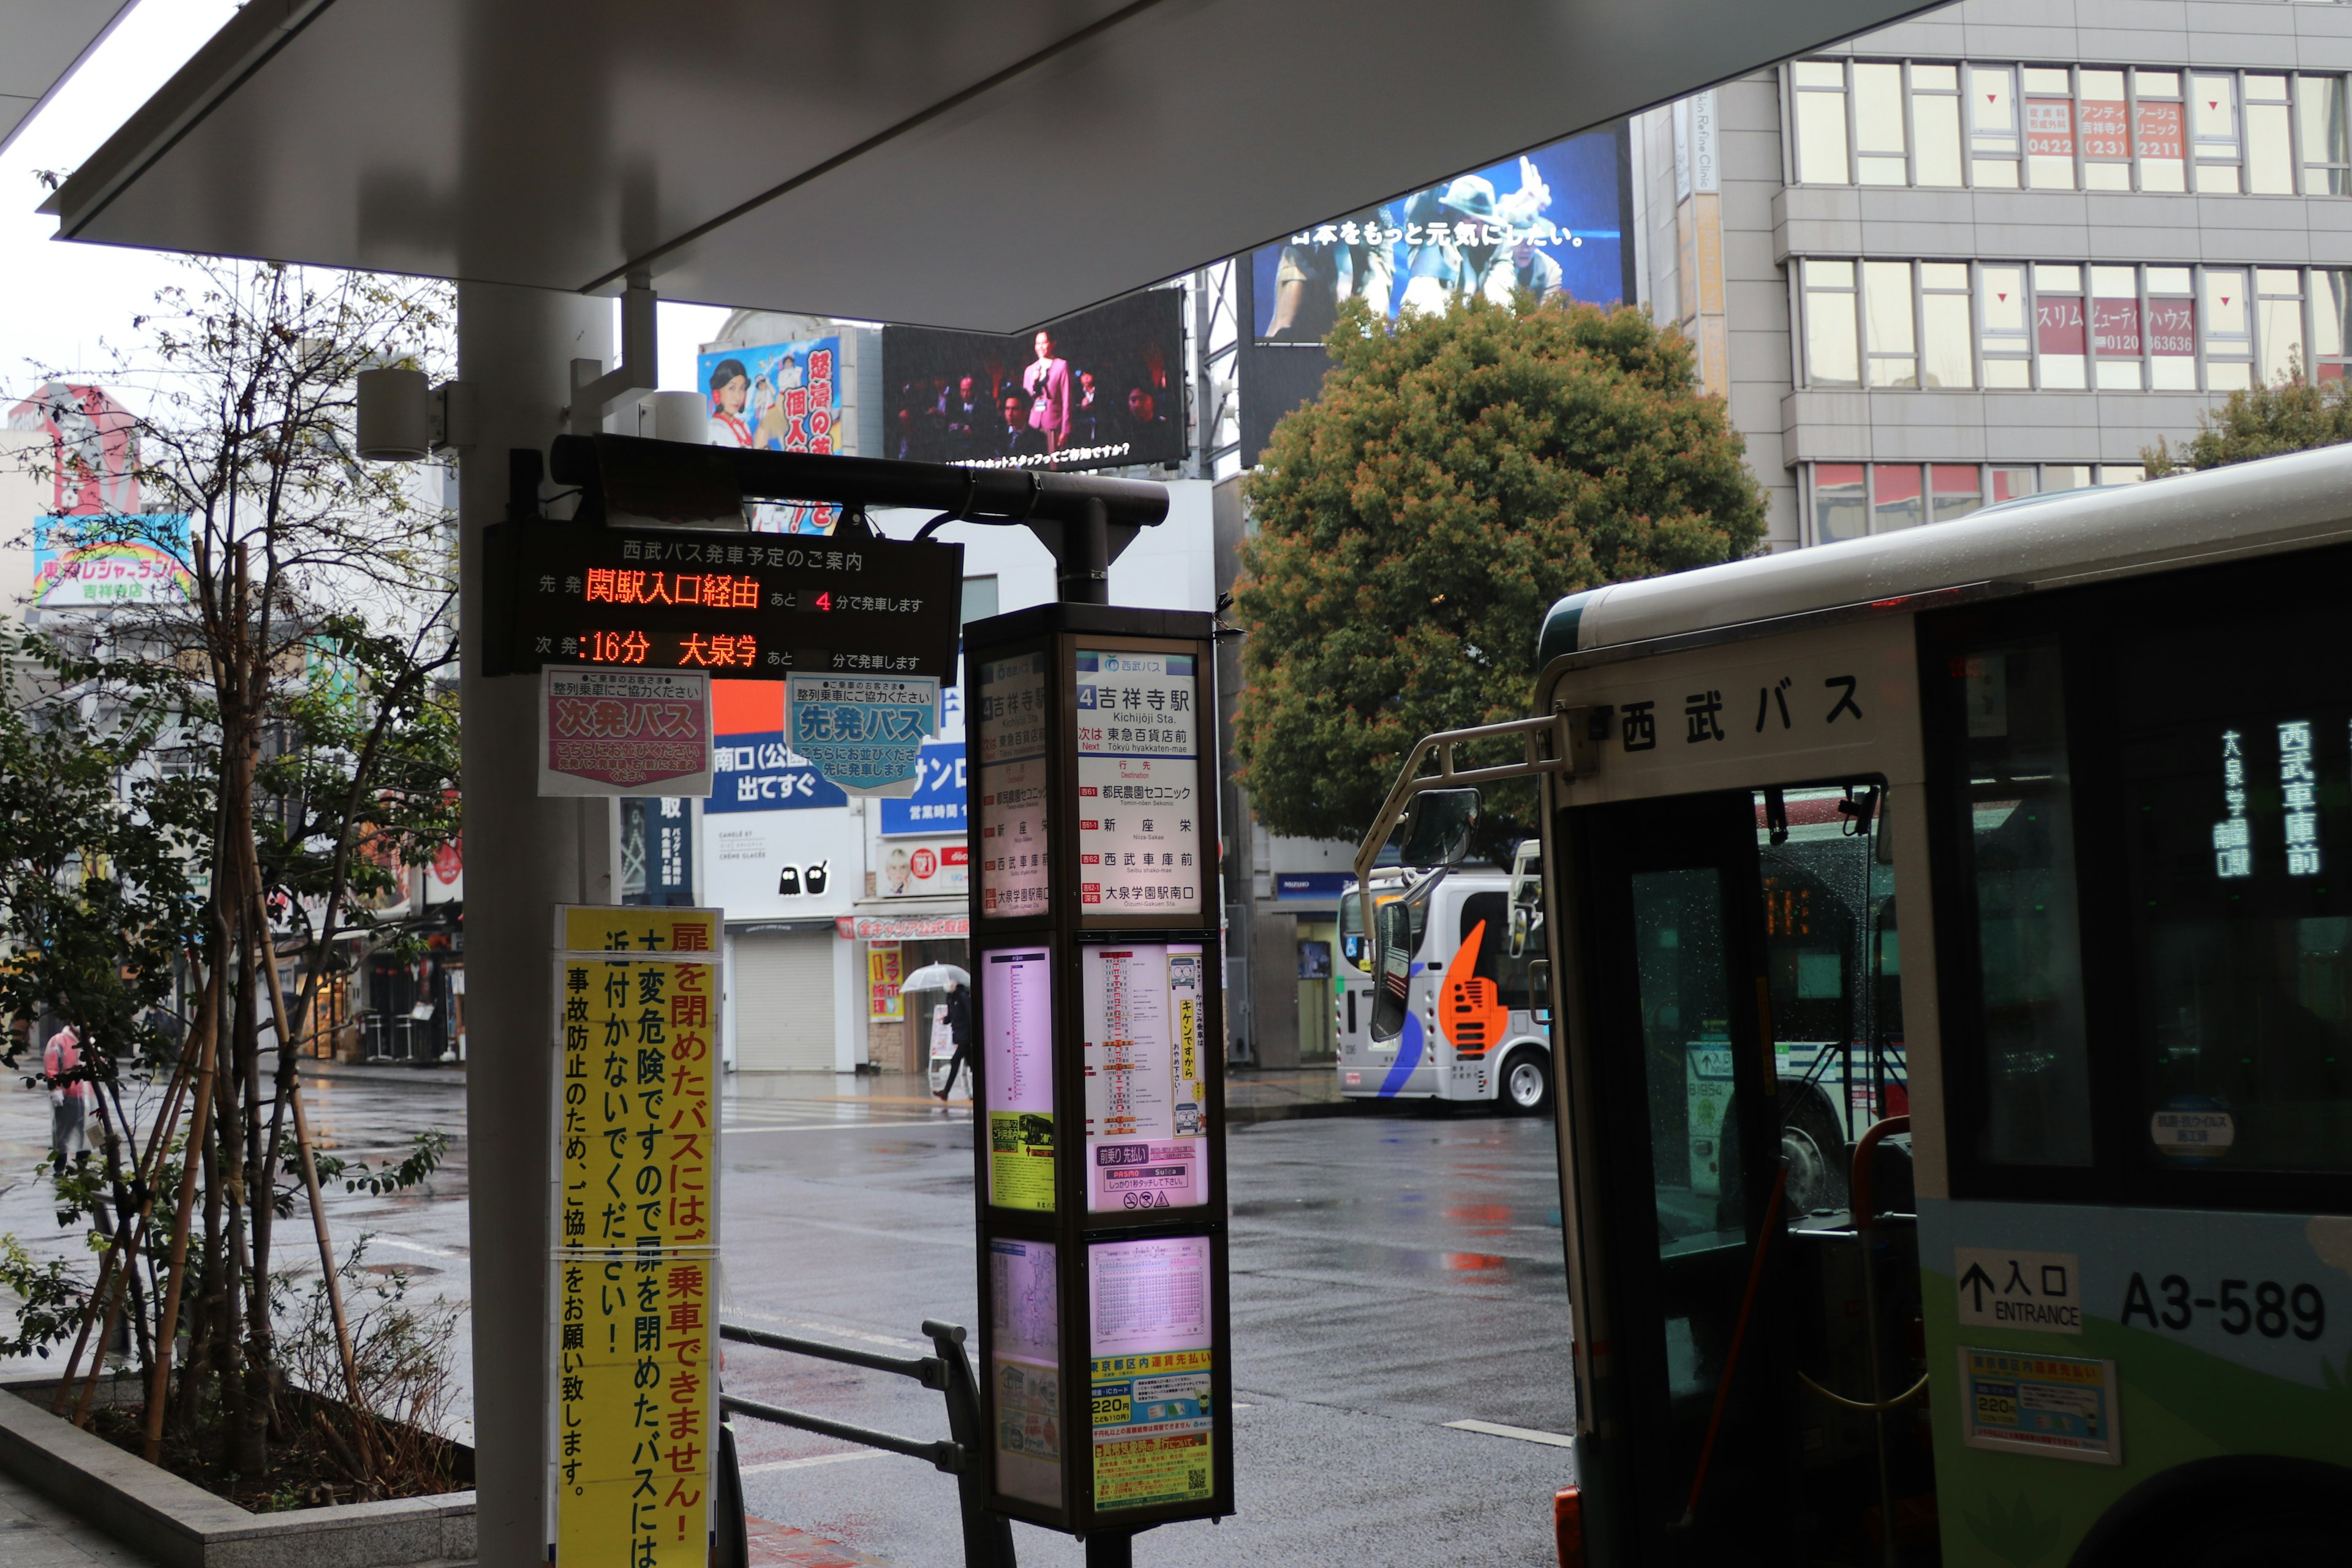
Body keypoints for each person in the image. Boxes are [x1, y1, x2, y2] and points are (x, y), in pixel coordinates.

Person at [43, 1023, 87, 1165]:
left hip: (87, 1097)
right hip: (69, 1096)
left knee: (87, 1133)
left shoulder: (90, 1043)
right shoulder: (59, 1041)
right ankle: (60, 1164)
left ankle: (83, 1163)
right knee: (64, 1133)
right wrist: (55, 1089)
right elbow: (52, 1066)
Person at [1022, 330, 1072, 453]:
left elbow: (1067, 400)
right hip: (1033, 425)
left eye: (1044, 343)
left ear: (1053, 344)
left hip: (1053, 424)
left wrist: (1065, 429)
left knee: (1053, 464)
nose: (1041, 347)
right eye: (1038, 343)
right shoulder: (1029, 370)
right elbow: (1025, 400)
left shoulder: (1061, 366)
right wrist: (1034, 382)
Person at [935, 977, 974, 1102]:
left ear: (956, 984)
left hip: (966, 1036)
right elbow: (952, 1016)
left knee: (955, 1060)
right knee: (973, 1065)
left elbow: (970, 1014)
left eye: (950, 982)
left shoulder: (963, 996)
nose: (947, 985)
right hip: (959, 1035)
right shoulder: (951, 999)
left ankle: (946, 1092)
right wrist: (944, 1019)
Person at [707, 358, 755, 447]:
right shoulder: (714, 428)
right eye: (732, 388)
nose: (738, 397)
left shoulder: (743, 426)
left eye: (742, 388)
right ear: (717, 393)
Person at [995, 394, 1047, 461]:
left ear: (1026, 412)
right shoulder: (998, 435)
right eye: (1007, 409)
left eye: (1015, 409)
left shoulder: (1038, 438)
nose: (1010, 414)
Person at [1071, 369, 1104, 446]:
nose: (1086, 378)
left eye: (1088, 375)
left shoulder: (1102, 390)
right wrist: (1081, 406)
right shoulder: (1076, 392)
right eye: (1083, 375)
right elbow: (1072, 408)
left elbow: (1104, 406)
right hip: (1082, 428)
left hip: (1100, 427)